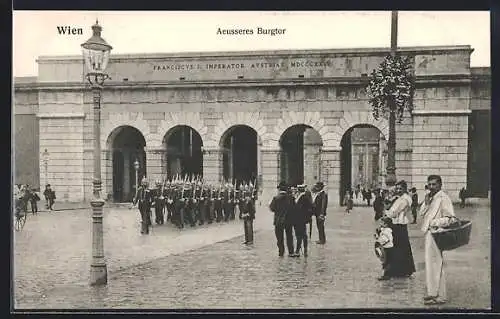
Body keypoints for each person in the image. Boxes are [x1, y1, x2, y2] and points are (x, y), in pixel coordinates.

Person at [419, 175, 455, 305]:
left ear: (440, 185)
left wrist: (434, 223)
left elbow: (450, 218)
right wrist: (426, 203)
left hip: (437, 233)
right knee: (431, 264)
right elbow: (421, 213)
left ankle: (439, 295)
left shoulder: (444, 198)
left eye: (434, 184)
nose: (431, 187)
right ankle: (433, 292)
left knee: (436, 264)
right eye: (429, 184)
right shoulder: (430, 197)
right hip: (429, 234)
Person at [379, 180, 416, 280]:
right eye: (397, 188)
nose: (398, 190)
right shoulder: (402, 198)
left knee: (392, 248)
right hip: (400, 226)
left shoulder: (403, 200)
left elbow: (393, 212)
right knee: (403, 249)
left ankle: (391, 271)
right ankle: (404, 270)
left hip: (398, 225)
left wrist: (386, 211)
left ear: (405, 188)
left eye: (400, 188)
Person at [269, 182, 295, 257]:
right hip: (288, 220)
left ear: (279, 189)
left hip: (278, 220)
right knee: (289, 236)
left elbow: (272, 208)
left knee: (279, 238)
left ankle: (281, 251)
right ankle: (291, 251)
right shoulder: (291, 198)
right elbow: (294, 209)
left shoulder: (276, 198)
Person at [292, 184, 313, 257]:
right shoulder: (298, 196)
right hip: (297, 219)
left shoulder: (304, 197)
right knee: (300, 235)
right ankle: (300, 250)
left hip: (301, 219)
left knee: (301, 235)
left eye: (299, 189)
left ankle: (300, 251)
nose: (297, 190)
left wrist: (306, 217)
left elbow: (310, 208)